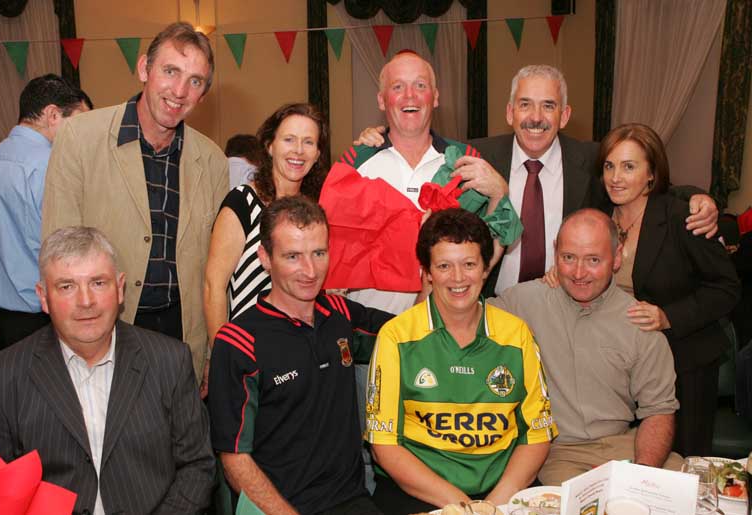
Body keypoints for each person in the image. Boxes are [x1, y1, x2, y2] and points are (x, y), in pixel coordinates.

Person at [357, 64, 719, 295]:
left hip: (567, 308)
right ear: (510, 112)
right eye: (526, 105)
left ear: (564, 116)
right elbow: (419, 153)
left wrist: (698, 197)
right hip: (490, 306)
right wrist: (375, 141)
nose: (536, 117)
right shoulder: (473, 156)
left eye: (548, 106)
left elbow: (645, 179)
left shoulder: (593, 161)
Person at [0, 226, 215, 514]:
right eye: (67, 286)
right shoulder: (2, 377)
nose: (86, 301)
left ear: (120, 288)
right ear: (43, 297)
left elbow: (197, 466)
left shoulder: (169, 361)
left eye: (98, 283)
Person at [42, 22, 229, 379]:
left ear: (203, 93)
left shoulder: (213, 160)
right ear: (144, 68)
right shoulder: (80, 139)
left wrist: (212, 350)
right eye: (170, 71)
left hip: (183, 337)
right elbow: (58, 252)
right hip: (105, 330)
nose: (179, 91)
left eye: (195, 81)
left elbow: (217, 269)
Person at [209, 196, 392, 515]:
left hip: (351, 501)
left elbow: (410, 332)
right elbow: (235, 460)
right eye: (292, 256)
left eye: (318, 253)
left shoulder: (340, 315)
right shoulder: (238, 342)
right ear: (265, 257)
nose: (310, 271)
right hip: (278, 507)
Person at [365, 208, 556, 514]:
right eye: (444, 266)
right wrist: (465, 508)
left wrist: (493, 505)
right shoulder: (396, 338)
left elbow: (536, 435)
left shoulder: (516, 334)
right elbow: (384, 445)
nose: (457, 278)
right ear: (427, 272)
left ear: (485, 269)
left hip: (502, 491)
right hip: (421, 493)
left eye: (469, 264)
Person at [489, 209, 682, 485]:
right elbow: (457, 314)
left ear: (617, 256)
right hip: (560, 453)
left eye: (593, 260)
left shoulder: (641, 322)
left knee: (692, 494)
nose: (579, 273)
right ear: (555, 253)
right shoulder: (525, 301)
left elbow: (658, 411)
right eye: (568, 258)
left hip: (628, 445)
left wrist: (640, 478)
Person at [337, 51, 518, 316]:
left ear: (435, 97)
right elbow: (333, 246)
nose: (410, 95)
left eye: (420, 85)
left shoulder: (464, 162)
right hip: (367, 334)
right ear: (381, 99)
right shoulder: (356, 160)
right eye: (398, 87)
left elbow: (489, 243)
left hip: (444, 333)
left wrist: (499, 194)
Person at [597, 123, 740, 456]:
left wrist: (667, 316)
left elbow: (726, 287)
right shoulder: (601, 218)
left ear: (651, 174)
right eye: (609, 165)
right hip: (622, 368)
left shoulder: (682, 217)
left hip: (684, 364)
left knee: (679, 466)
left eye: (629, 166)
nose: (616, 177)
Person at [0, 74, 91, 355]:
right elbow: (68, 252)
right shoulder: (53, 166)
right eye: (78, 121)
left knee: (7, 398)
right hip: (44, 321)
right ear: (53, 115)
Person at [203, 103, 329, 395]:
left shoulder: (318, 212)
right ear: (270, 145)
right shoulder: (243, 202)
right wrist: (223, 358)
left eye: (308, 142)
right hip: (249, 355)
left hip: (300, 356)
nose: (298, 150)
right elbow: (214, 286)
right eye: (289, 140)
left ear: (318, 154)